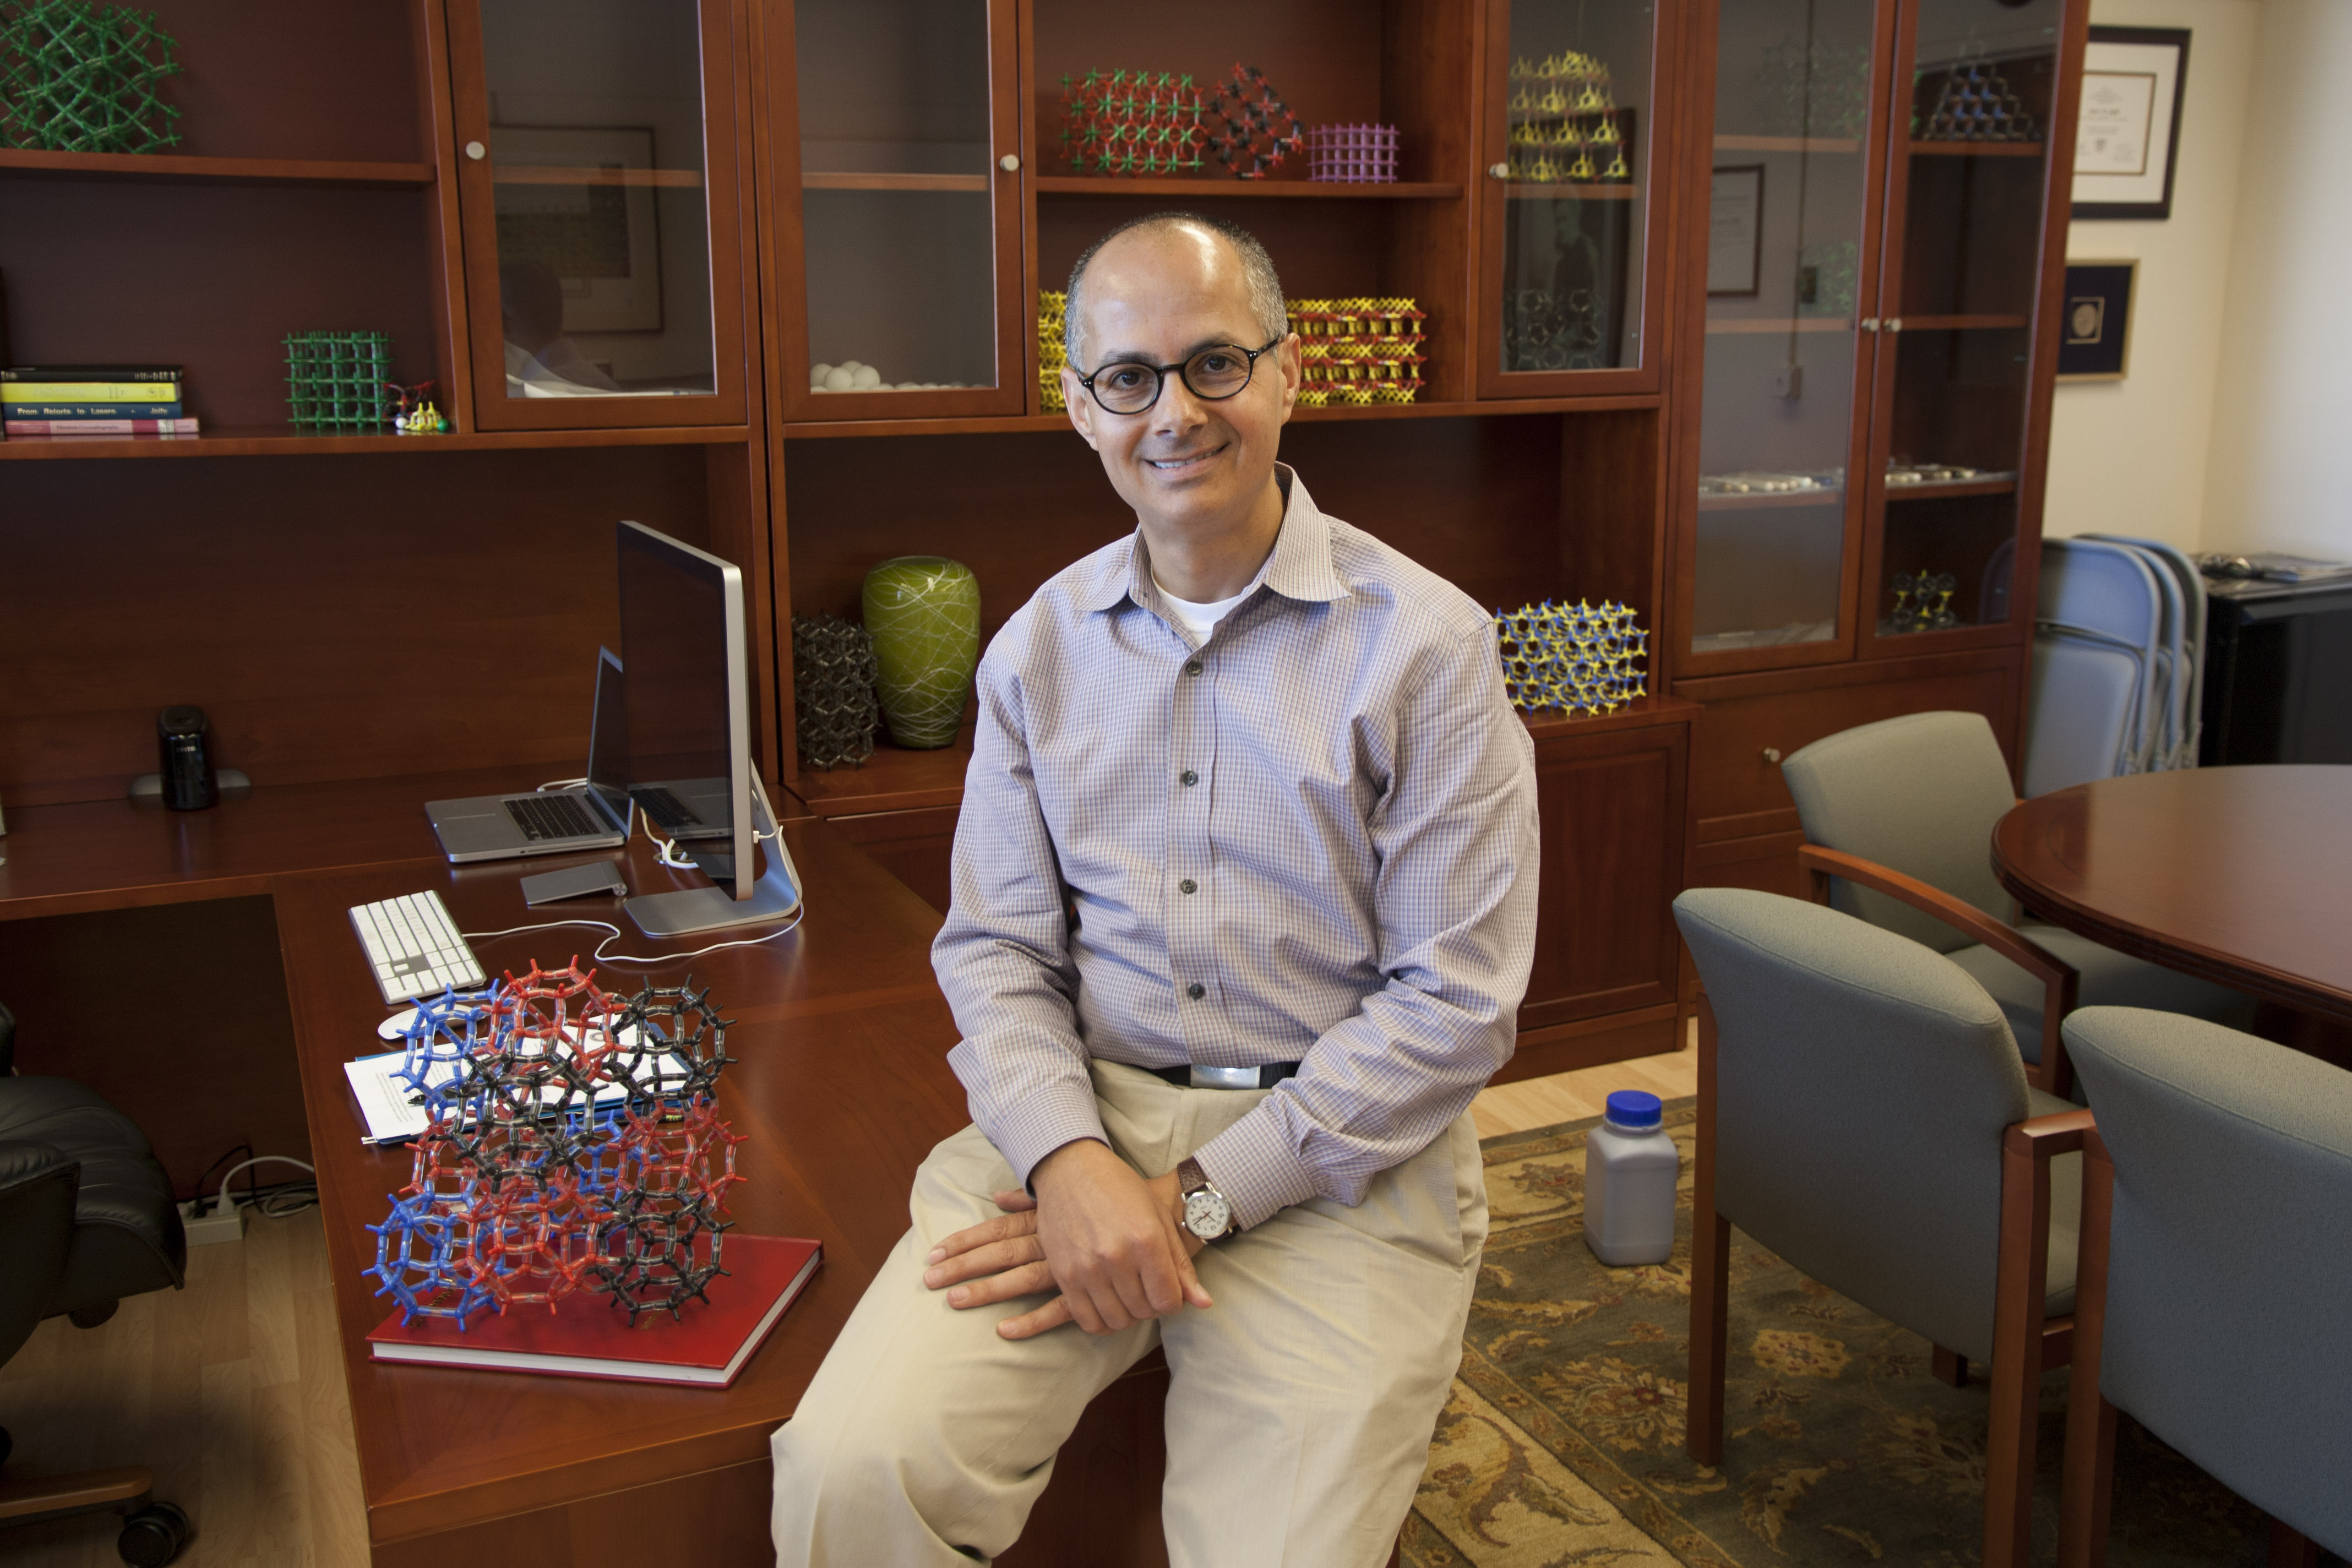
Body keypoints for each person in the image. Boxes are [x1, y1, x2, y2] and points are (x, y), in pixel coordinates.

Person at [770, 212, 1539, 1567]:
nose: (1174, 411)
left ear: (1289, 373)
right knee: (849, 1473)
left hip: (1343, 1159)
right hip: (1088, 1126)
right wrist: (1070, 1163)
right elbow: (1000, 951)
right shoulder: (1035, 653)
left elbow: (1454, 1009)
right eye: (1130, 377)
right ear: (1082, 409)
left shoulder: (1429, 649)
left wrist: (1192, 1196)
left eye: (1215, 364)